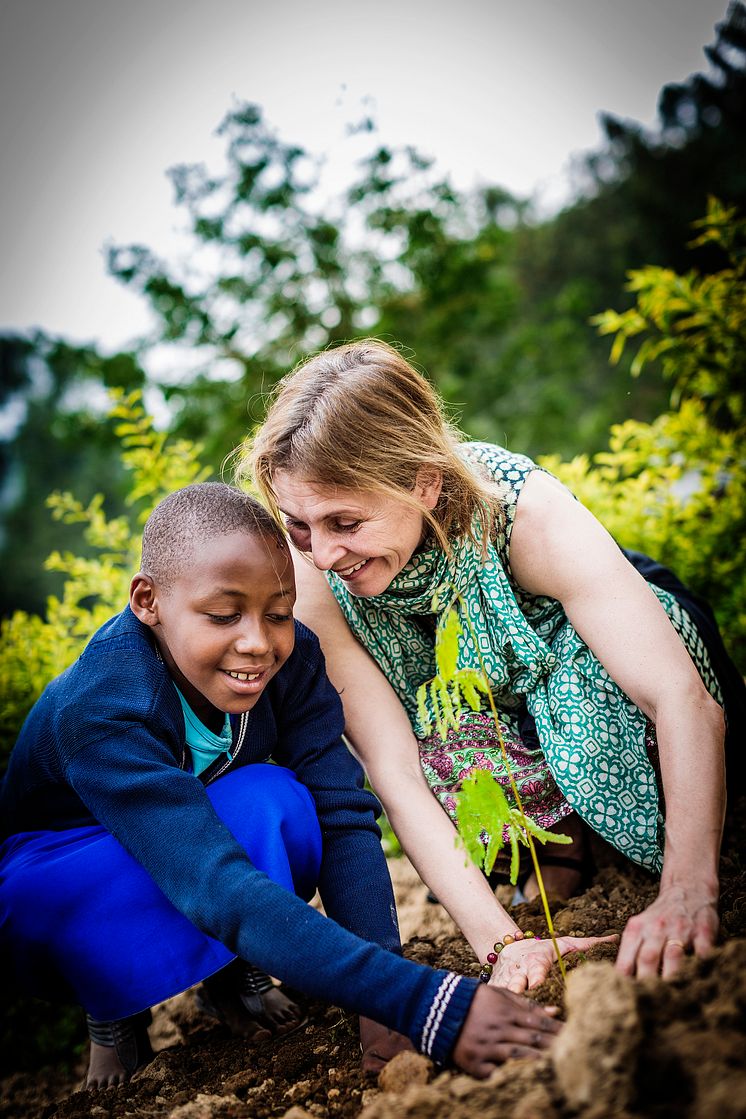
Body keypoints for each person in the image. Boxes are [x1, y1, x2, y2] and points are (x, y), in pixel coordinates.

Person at [0, 482, 564, 1089]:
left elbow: (343, 814)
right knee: (150, 882)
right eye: (222, 616)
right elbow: (212, 881)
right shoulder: (106, 707)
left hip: (193, 839)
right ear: (148, 601)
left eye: (278, 613)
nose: (258, 643)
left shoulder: (294, 662)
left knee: (279, 802)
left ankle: (235, 972)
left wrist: (379, 1002)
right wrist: (426, 1004)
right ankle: (113, 1010)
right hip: (61, 874)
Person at [246, 339, 745, 991]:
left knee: (584, 681)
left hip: (594, 671)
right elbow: (394, 770)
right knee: (441, 733)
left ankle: (682, 834)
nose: (322, 553)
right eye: (300, 525)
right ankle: (563, 848)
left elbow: (679, 696)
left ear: (424, 480)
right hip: (488, 701)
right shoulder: (316, 578)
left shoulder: (524, 514)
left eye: (345, 520)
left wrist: (688, 890)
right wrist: (501, 944)